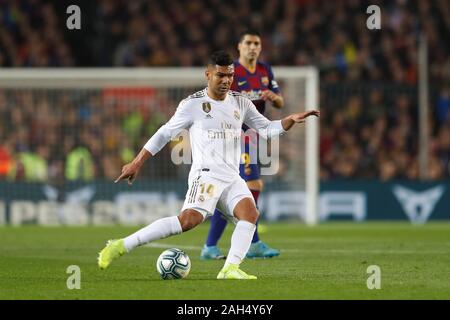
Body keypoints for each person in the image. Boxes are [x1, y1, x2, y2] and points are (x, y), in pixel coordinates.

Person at [97, 51, 319, 279]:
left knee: (250, 215)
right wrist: (136, 162)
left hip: (232, 177)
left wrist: (288, 121)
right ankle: (122, 245)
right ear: (208, 75)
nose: (226, 81)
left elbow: (265, 128)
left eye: (230, 76)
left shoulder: (241, 103)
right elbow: (164, 134)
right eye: (220, 75)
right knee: (188, 221)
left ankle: (230, 268)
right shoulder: (192, 105)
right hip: (206, 176)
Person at [201, 29, 284, 260]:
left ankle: (211, 246)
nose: (253, 47)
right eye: (248, 42)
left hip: (254, 135)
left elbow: (280, 102)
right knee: (253, 185)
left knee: (238, 188)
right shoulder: (231, 71)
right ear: (240, 46)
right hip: (235, 135)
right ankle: (252, 243)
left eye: (257, 43)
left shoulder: (265, 70)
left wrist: (272, 97)